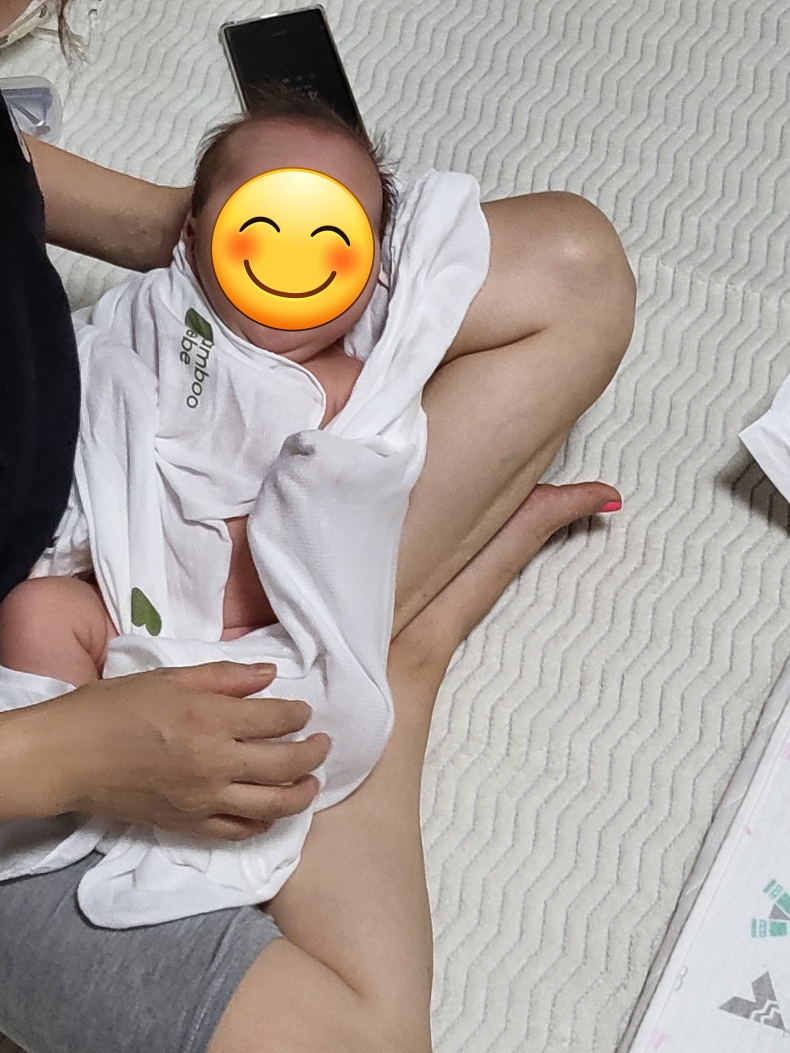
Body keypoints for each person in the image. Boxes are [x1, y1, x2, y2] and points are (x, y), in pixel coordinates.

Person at [0, 4, 636, 1050]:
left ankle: (338, 647)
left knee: (573, 263)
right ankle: (393, 658)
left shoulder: (256, 330)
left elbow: (342, 469)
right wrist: (55, 754)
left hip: (116, 480)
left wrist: (192, 230)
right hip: (49, 663)